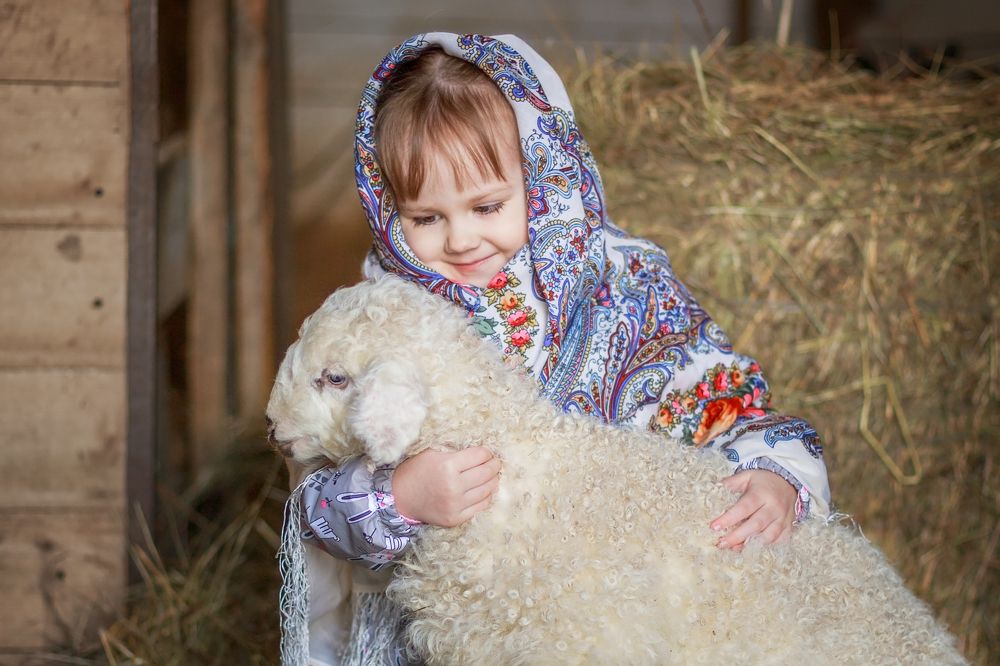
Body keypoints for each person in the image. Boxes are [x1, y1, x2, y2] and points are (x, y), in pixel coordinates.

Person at [287, 32, 831, 665]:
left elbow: (723, 407)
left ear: (546, 177)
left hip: (620, 608)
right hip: (447, 632)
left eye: (488, 206)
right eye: (426, 218)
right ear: (387, 209)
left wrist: (775, 476)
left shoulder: (626, 292)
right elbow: (314, 503)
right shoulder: (378, 322)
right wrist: (397, 497)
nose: (461, 239)